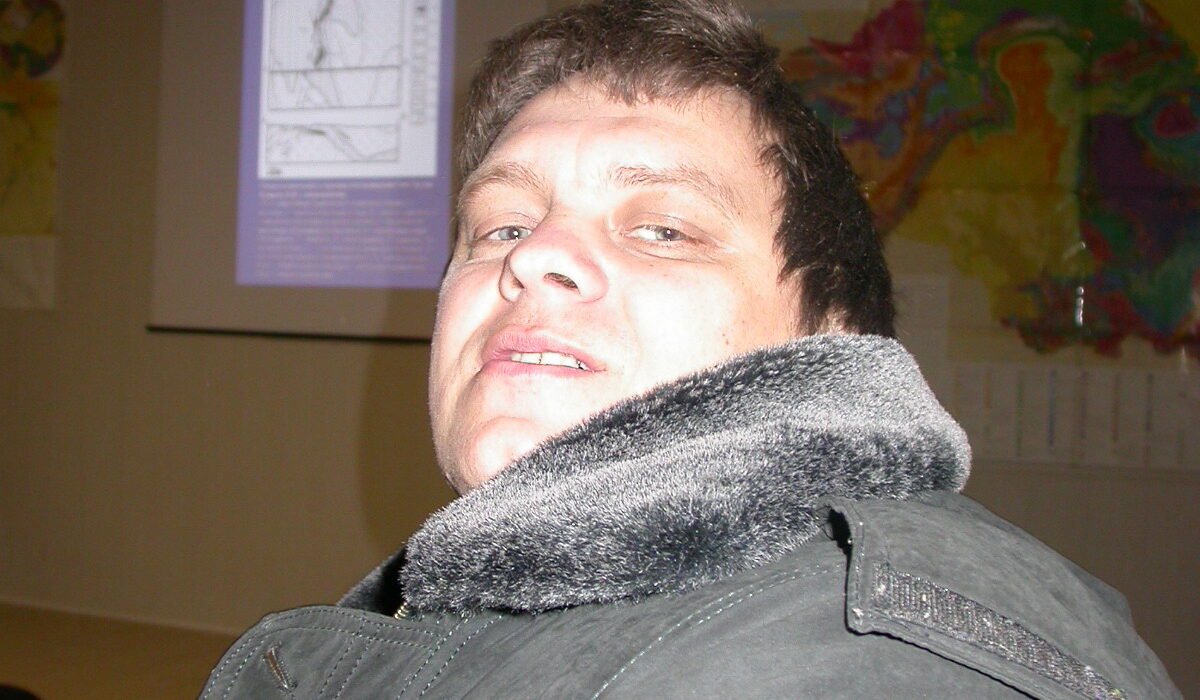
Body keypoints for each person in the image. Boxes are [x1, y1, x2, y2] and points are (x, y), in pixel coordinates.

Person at [202, 0, 1180, 697]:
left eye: (662, 228)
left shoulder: (865, 662)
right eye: (500, 226)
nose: (533, 255)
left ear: (833, 327)